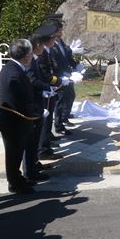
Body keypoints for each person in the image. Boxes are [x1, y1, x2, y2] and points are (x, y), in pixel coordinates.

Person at [0, 39, 37, 194]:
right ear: (26, 56)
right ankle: (15, 184)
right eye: (31, 53)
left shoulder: (12, 67)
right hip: (14, 123)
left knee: (15, 154)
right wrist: (37, 112)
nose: (32, 56)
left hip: (13, 122)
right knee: (14, 155)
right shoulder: (14, 73)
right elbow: (20, 102)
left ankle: (16, 179)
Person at [23, 28, 57, 183]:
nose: (44, 48)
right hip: (33, 104)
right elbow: (32, 80)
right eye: (42, 45)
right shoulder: (31, 60)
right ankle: (30, 170)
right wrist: (46, 88)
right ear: (37, 45)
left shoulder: (34, 58)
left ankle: (34, 164)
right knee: (31, 141)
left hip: (38, 101)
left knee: (34, 140)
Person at [36, 23, 69, 160]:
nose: (55, 41)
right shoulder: (41, 52)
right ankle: (43, 150)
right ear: (47, 39)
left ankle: (46, 145)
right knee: (44, 122)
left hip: (50, 90)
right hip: (45, 92)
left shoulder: (47, 50)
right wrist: (60, 81)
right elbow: (45, 74)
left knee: (47, 122)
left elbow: (51, 70)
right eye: (53, 39)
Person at [52, 17, 79, 134]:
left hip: (67, 76)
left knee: (70, 96)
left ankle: (64, 116)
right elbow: (54, 63)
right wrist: (59, 78)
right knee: (60, 101)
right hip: (60, 78)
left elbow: (67, 55)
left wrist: (76, 65)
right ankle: (58, 126)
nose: (62, 33)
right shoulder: (51, 44)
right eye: (60, 30)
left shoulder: (60, 41)